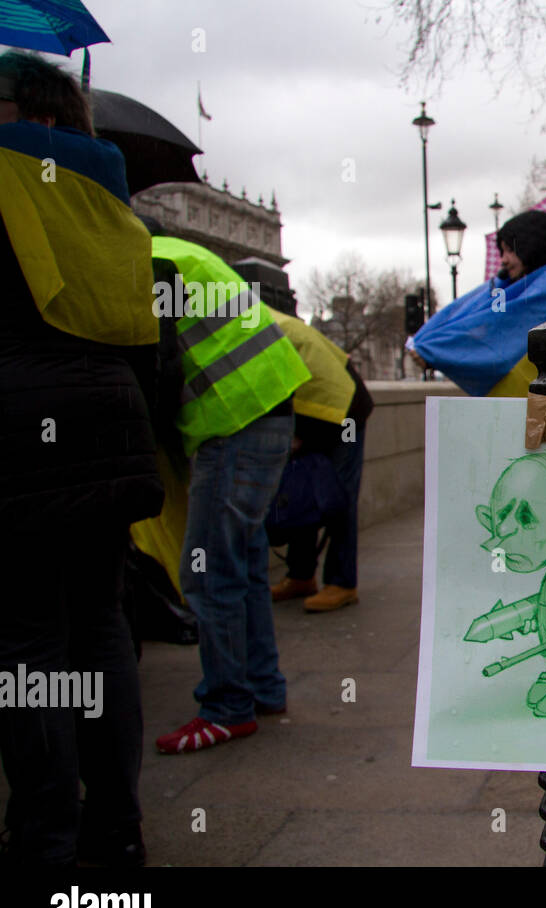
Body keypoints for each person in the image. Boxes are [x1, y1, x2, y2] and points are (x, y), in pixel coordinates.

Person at [0, 51, 162, 865]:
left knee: (29, 642)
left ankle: (46, 837)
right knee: (100, 629)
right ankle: (117, 829)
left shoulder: (7, 179)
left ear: (33, 114)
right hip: (108, 417)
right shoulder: (109, 193)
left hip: (20, 421)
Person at [150, 237, 311, 754]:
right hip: (269, 405)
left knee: (207, 571)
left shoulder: (148, 262)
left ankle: (225, 706)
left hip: (231, 416)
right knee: (242, 561)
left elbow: (160, 365)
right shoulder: (178, 251)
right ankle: (263, 688)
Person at [408, 210, 546, 396]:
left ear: (531, 248)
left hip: (537, 413)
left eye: (510, 250)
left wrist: (435, 350)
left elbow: (485, 341)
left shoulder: (531, 299)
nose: (504, 260)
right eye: (502, 251)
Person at [268, 309, 374, 611]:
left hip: (345, 411)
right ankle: (301, 576)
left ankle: (342, 583)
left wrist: (300, 437)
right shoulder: (265, 322)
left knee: (337, 497)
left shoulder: (254, 330)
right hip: (318, 408)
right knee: (302, 492)